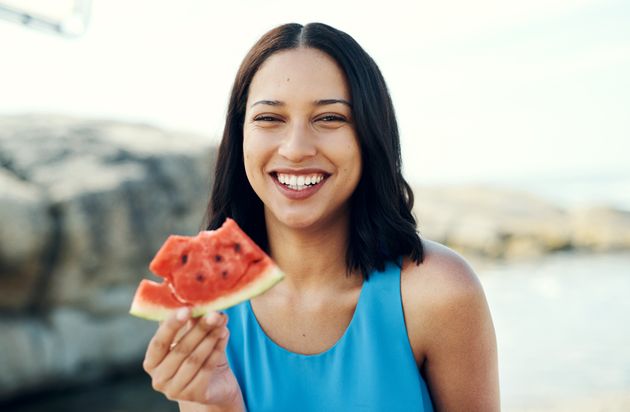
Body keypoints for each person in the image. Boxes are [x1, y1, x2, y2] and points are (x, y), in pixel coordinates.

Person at [142, 22, 500, 411]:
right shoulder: (208, 311)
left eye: (329, 118)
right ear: (240, 134)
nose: (295, 149)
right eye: (269, 119)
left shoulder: (441, 293)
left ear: (369, 135)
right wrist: (221, 405)